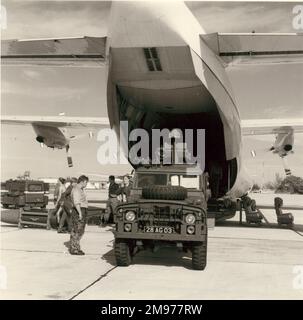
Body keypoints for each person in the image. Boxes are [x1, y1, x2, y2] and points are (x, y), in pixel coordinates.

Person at [69, 175, 89, 255]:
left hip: (81, 210)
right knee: (77, 230)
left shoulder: (80, 189)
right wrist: (80, 213)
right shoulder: (76, 190)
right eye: (86, 182)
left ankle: (76, 247)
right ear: (83, 181)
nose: (86, 184)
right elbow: (76, 203)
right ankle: (74, 249)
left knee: (79, 230)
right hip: (79, 211)